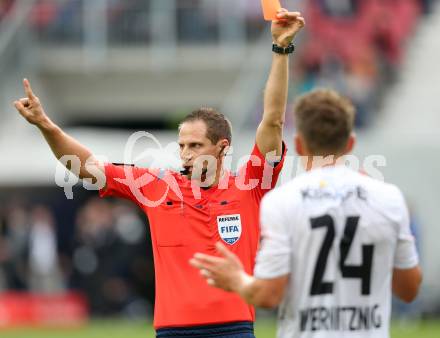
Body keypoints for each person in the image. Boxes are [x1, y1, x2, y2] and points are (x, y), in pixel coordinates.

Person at [13, 8, 305, 338]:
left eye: (195, 146)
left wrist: (281, 50)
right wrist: (46, 125)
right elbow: (86, 166)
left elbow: (273, 122)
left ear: (222, 147)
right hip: (172, 331)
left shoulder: (250, 184)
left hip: (234, 329)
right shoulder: (156, 186)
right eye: (182, 146)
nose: (185, 154)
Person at [190, 89, 422, 338]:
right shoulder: (388, 198)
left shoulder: (282, 201)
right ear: (351, 143)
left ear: (299, 145)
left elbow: (268, 295)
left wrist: (237, 279)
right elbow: (408, 290)